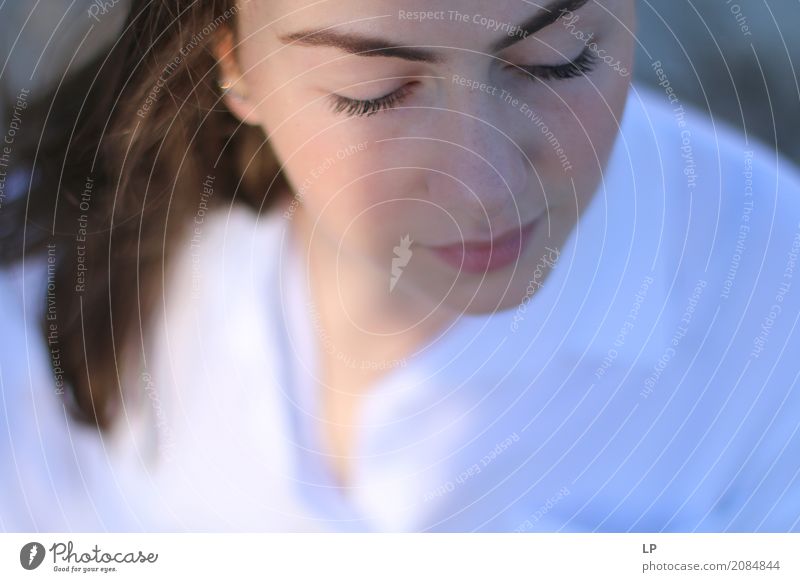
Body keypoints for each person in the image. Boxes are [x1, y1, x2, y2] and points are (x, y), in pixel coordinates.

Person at [1, 0, 798, 532]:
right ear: (234, 65)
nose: (479, 182)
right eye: (375, 92)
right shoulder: (38, 270)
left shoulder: (773, 316)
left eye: (560, 61)